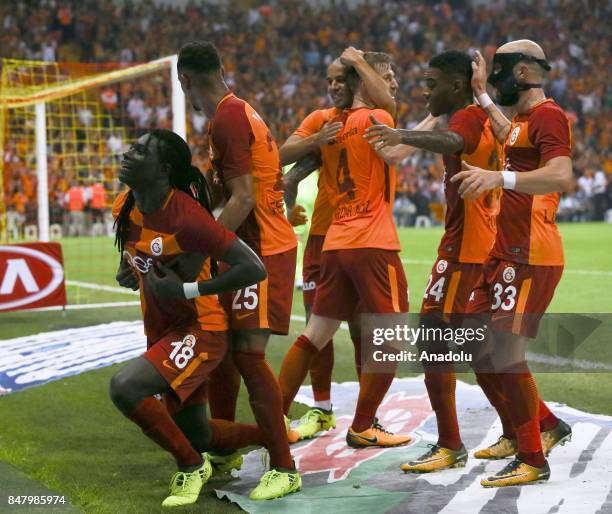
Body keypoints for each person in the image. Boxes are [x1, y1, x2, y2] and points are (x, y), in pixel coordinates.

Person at [109, 129, 272, 507]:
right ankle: (272, 435)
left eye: (139, 150)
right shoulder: (125, 206)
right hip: (163, 329)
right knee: (198, 433)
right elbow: (134, 252)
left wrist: (187, 291)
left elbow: (253, 268)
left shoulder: (187, 216)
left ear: (163, 169)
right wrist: (128, 270)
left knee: (125, 387)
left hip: (200, 328)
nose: (127, 153)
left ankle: (190, 467)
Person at [365, 50, 503, 473]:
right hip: (477, 245)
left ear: (457, 85)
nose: (425, 90)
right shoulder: (478, 116)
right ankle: (536, 427)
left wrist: (401, 133)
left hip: (464, 251)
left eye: (431, 83)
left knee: (434, 343)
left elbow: (451, 141)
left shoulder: (464, 119)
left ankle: (450, 444)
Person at [177, 41, 301, 500]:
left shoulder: (227, 118)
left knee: (247, 355)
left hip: (260, 253)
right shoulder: (238, 111)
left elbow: (244, 198)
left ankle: (284, 465)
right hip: (250, 249)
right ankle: (225, 453)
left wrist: (196, 251)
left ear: (185, 80)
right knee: (226, 352)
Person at [451, 40, 573, 487]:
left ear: (522, 72)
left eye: (499, 70)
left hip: (531, 253)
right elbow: (509, 135)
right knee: (476, 345)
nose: (495, 77)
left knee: (505, 354)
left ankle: (532, 458)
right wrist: (482, 95)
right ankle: (542, 426)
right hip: (506, 251)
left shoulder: (550, 115)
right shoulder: (523, 121)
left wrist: (497, 176)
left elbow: (561, 174)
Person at [277, 52, 412, 449]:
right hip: (360, 239)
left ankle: (283, 416)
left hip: (336, 237)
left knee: (328, 332)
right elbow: (390, 123)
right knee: (387, 334)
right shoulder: (359, 119)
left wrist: (290, 184)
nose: (391, 85)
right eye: (385, 77)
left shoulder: (343, 122)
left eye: (340, 79)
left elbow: (293, 169)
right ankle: (355, 418)